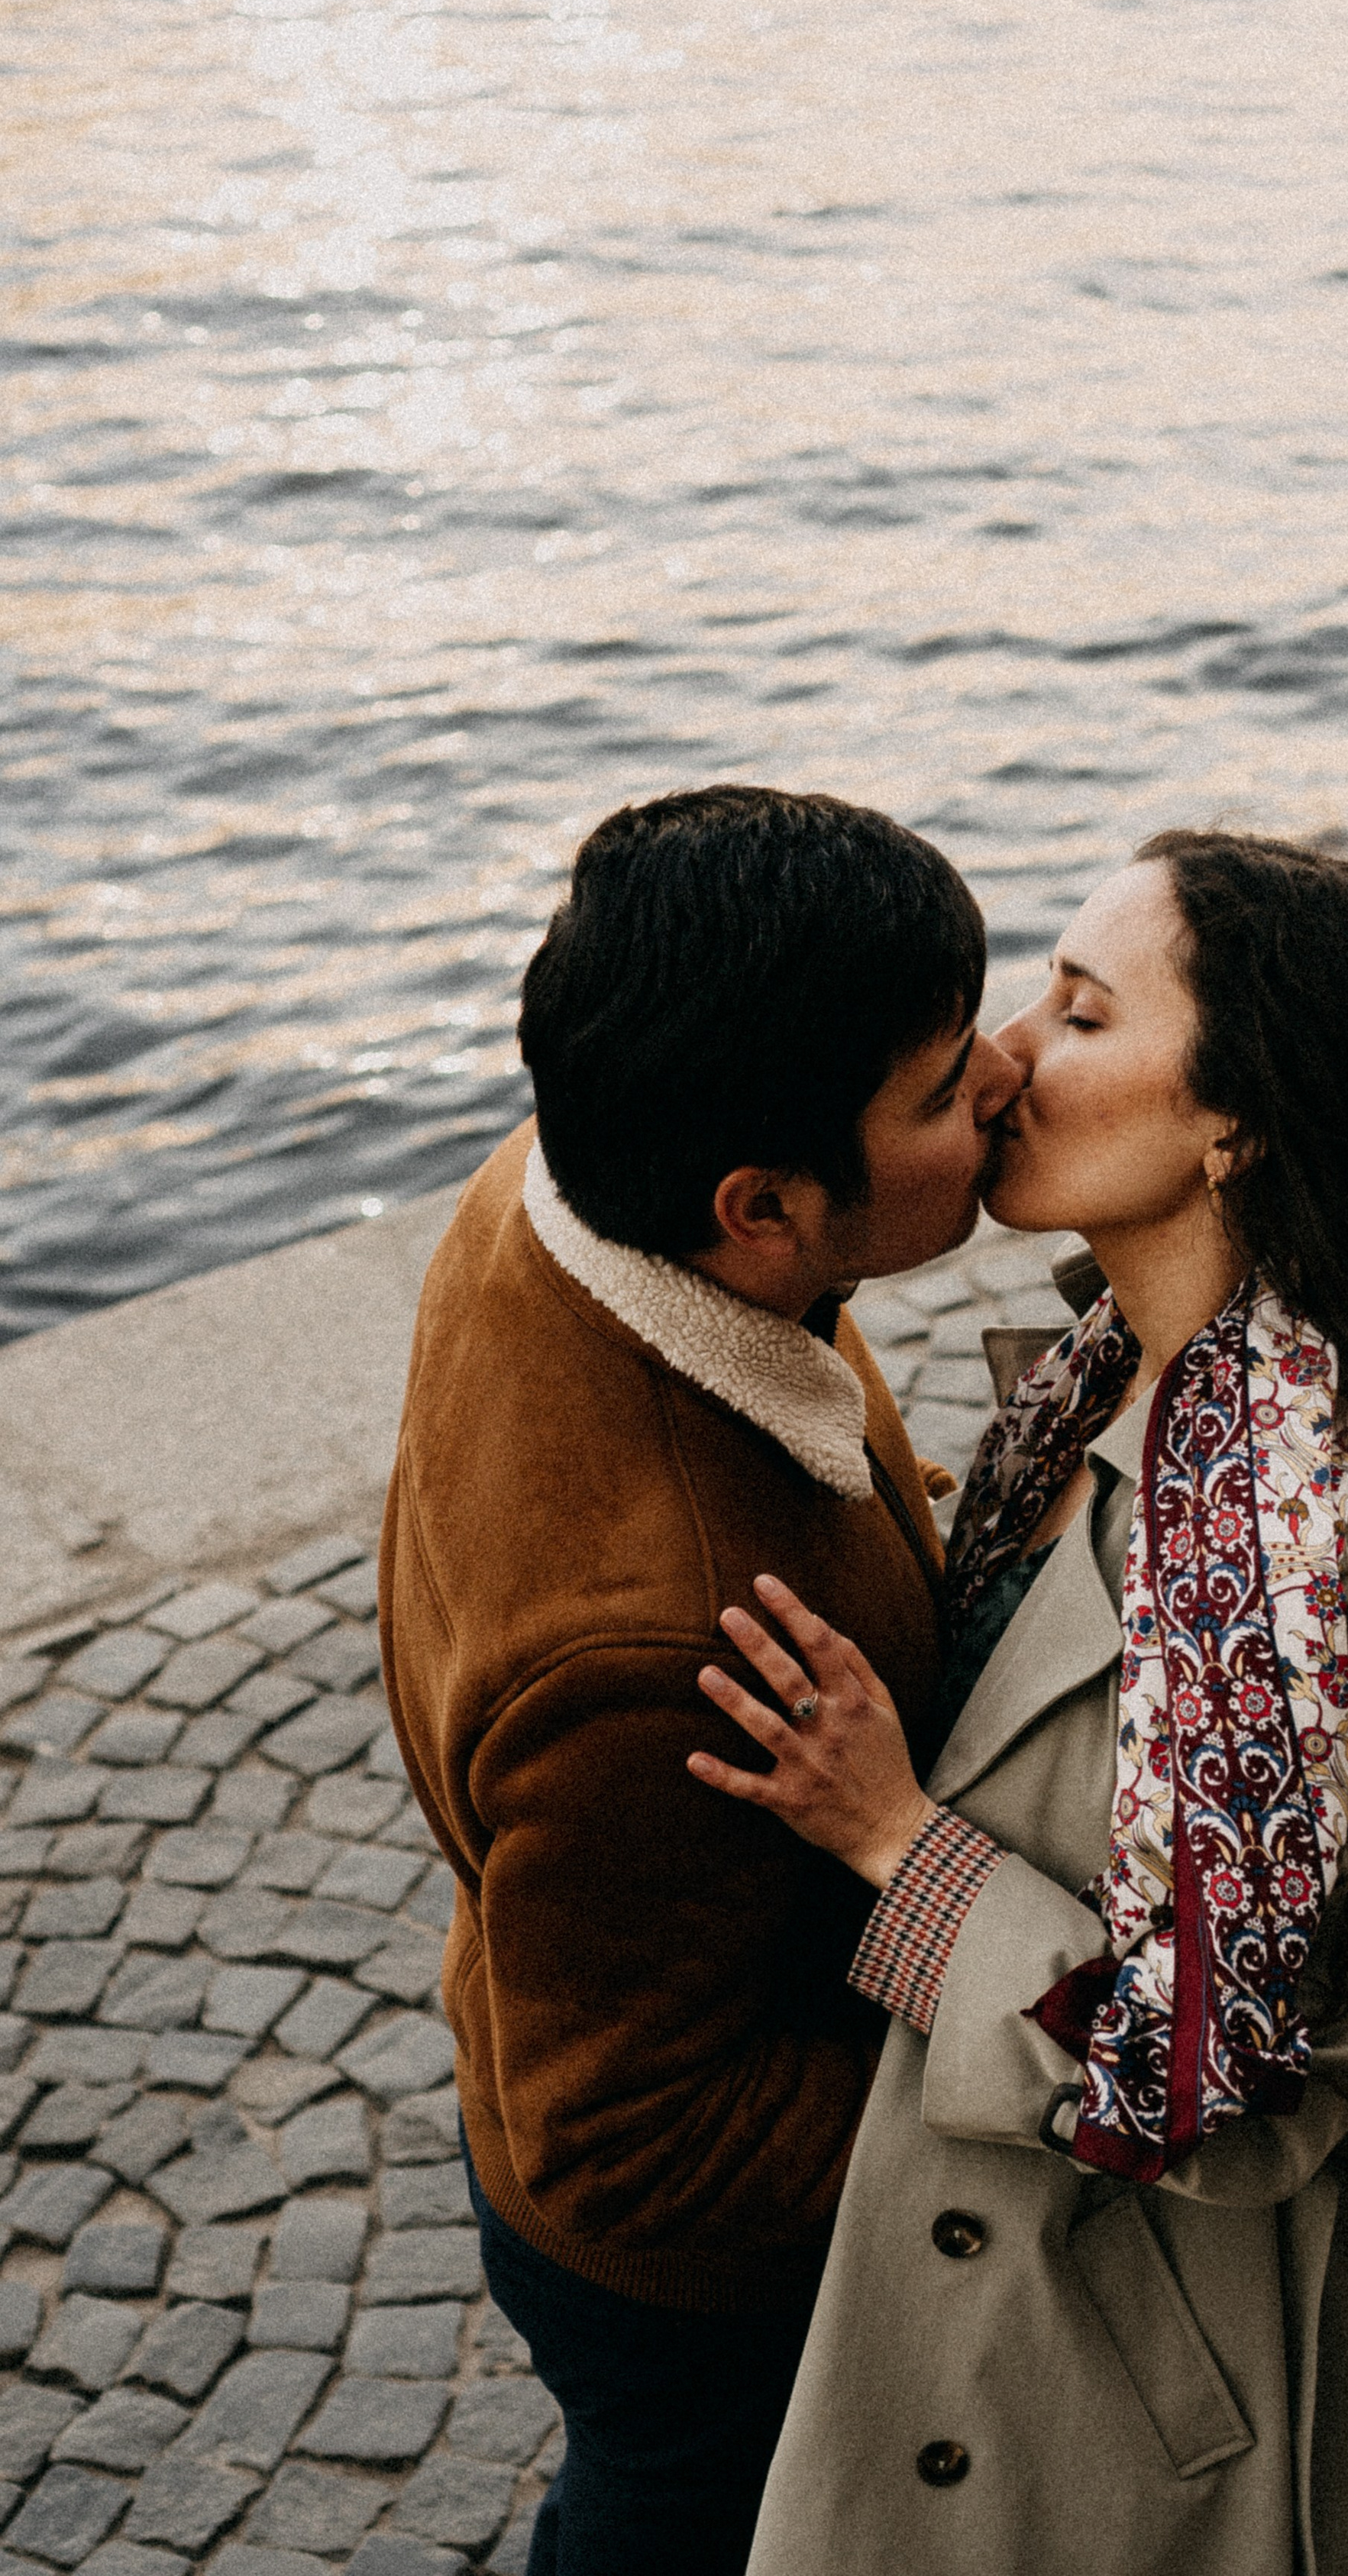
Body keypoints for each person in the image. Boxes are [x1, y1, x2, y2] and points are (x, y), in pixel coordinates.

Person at [693, 829, 1348, 2576]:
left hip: (1161, 2409)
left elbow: (1206, 2077)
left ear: (1233, 1122)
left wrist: (890, 1838)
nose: (1005, 1057)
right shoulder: (1120, 1377)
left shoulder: (1287, 1534)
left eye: (1081, 1014)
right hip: (1026, 2318)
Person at [377, 785, 1021, 2576]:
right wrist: (1008, 2125)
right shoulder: (657, 1645)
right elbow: (628, 2145)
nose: (1002, 1083)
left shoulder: (570, 1184)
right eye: (937, 1089)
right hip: (699, 2307)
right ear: (761, 1210)